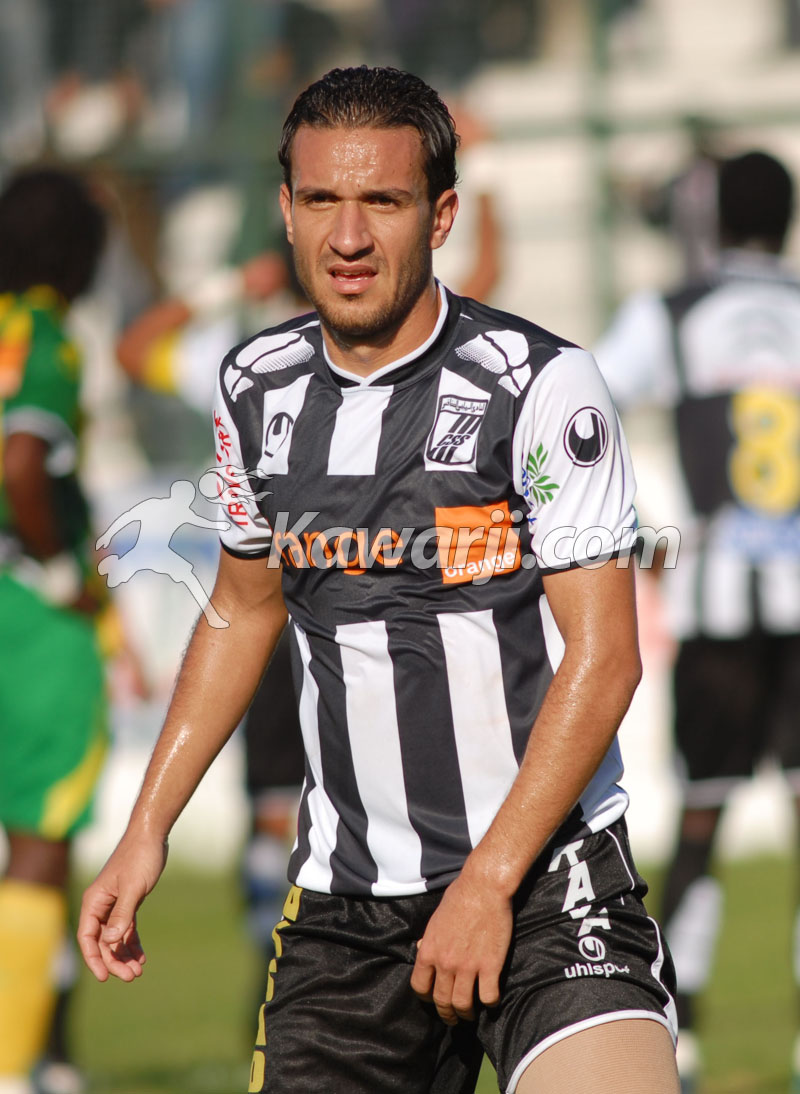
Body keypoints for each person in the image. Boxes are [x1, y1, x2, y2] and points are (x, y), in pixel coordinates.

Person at [78, 65, 679, 1094]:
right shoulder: (251, 386)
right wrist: (146, 828)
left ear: (440, 215)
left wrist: (488, 882)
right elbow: (241, 610)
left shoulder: (539, 383)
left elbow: (606, 656)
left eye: (383, 202)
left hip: (546, 883)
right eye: (321, 200)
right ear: (285, 209)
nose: (347, 237)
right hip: (347, 914)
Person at [593, 149, 800, 1093]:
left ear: (715, 219)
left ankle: (680, 1039)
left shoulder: (673, 312)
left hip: (718, 605)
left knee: (703, 818)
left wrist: (635, 532)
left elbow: (579, 407)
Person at [0, 168, 107, 1094]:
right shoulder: (43, 333)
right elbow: (23, 460)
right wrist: (62, 572)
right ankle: (9, 1067)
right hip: (25, 608)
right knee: (39, 839)